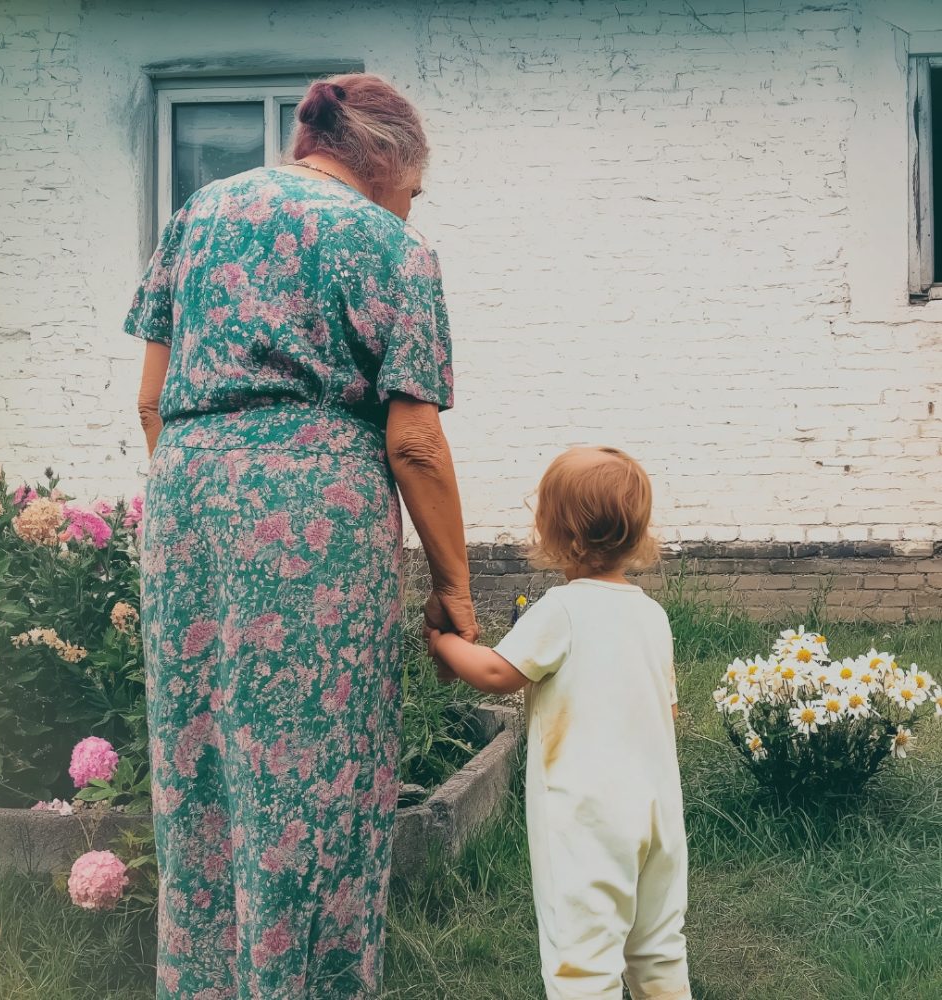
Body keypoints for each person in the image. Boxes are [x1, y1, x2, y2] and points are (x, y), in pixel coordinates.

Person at [125, 73, 478, 999]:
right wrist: (457, 590)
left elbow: (152, 401)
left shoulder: (200, 212)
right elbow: (412, 438)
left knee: (199, 765)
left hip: (186, 510)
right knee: (316, 775)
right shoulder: (389, 245)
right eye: (415, 184)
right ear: (386, 158)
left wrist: (207, 490)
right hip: (315, 517)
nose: (412, 202)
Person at [428, 447, 691, 1000]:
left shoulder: (562, 609)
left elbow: (499, 673)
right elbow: (667, 712)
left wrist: (444, 642)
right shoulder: (653, 615)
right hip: (658, 812)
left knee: (584, 963)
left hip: (587, 818)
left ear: (556, 533)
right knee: (658, 946)